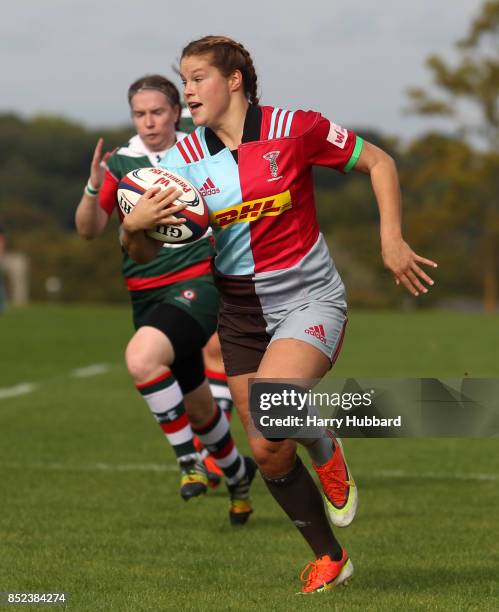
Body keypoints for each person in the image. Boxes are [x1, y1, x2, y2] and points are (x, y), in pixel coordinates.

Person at [121, 37, 437, 594]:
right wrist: (134, 226)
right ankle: (332, 557)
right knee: (268, 449)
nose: (187, 91)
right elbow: (147, 252)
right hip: (240, 313)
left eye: (197, 78)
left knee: (274, 407)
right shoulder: (178, 164)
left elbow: (379, 162)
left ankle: (323, 443)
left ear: (235, 79)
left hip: (309, 298)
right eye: (184, 80)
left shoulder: (297, 126)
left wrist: (392, 239)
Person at [74, 74, 256, 525]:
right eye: (140, 114)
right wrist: (95, 185)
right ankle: (237, 475)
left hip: (198, 281)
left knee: (141, 359)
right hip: (145, 294)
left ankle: (188, 462)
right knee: (198, 406)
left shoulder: (200, 150)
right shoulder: (122, 164)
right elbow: (87, 231)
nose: (150, 121)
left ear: (176, 111)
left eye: (158, 112)